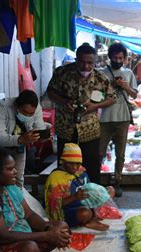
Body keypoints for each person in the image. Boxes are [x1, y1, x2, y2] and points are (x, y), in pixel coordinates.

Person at [47, 43, 116, 184]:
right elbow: (50, 92)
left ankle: (92, 196)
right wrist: (63, 102)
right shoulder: (62, 73)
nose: (86, 66)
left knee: (91, 165)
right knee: (66, 163)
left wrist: (95, 106)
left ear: (95, 62)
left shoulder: (101, 78)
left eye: (90, 63)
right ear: (76, 59)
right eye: (82, 62)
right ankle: (65, 194)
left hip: (89, 128)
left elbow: (112, 98)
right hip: (66, 127)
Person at [0, 90, 46, 187]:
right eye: (25, 112)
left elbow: (39, 128)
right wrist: (20, 139)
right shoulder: (1, 107)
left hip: (19, 147)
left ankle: (17, 200)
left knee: (17, 180)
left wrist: (42, 137)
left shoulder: (37, 108)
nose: (28, 116)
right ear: (17, 106)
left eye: (31, 113)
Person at [45, 143, 113, 231]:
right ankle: (89, 220)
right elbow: (54, 205)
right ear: (63, 161)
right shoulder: (55, 178)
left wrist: (96, 194)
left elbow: (88, 187)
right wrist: (75, 197)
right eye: (71, 163)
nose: (74, 167)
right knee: (85, 213)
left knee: (110, 190)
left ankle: (93, 215)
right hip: (67, 209)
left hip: (84, 202)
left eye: (77, 164)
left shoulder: (80, 170)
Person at [100, 43, 138, 197]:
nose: (117, 60)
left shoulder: (128, 73)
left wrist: (125, 86)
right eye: (115, 57)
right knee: (100, 151)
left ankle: (117, 181)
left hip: (123, 118)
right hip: (105, 118)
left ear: (124, 58)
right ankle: (97, 181)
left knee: (120, 153)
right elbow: (96, 94)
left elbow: (134, 95)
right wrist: (111, 85)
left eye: (120, 58)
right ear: (110, 57)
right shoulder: (101, 73)